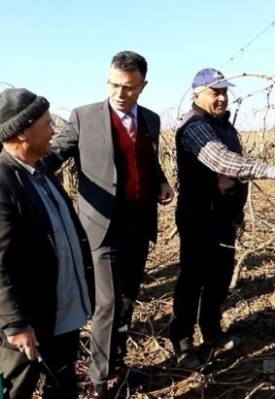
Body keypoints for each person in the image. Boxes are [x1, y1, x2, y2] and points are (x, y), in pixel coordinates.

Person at [43, 50, 174, 398]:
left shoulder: (151, 120)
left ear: (142, 86)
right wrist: (23, 174)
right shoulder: (84, 117)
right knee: (108, 304)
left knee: (128, 299)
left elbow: (148, 159)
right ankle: (99, 380)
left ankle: (117, 364)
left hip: (140, 223)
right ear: (107, 80)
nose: (120, 93)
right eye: (114, 84)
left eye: (129, 87)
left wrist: (160, 180)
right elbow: (54, 156)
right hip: (101, 227)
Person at [169, 68, 275, 369]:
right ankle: (182, 342)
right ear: (197, 95)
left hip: (224, 216)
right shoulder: (195, 127)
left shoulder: (225, 126)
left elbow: (232, 175)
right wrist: (271, 170)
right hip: (199, 216)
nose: (221, 97)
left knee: (219, 278)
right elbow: (221, 160)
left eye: (224, 92)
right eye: (214, 92)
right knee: (193, 279)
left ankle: (211, 330)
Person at [0, 88, 94, 399]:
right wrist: (15, 325)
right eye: (47, 124)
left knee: (63, 385)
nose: (54, 131)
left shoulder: (42, 173)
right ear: (22, 132)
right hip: (26, 324)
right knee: (14, 392)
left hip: (59, 313)